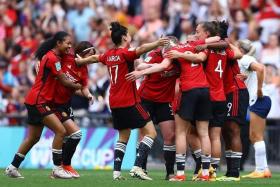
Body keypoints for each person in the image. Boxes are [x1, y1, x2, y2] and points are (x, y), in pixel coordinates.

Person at [76, 21, 169, 180]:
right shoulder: (125, 53)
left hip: (114, 102)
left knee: (123, 136)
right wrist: (157, 43)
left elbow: (95, 58)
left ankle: (116, 172)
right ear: (125, 37)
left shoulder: (109, 54)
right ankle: (137, 167)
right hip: (130, 101)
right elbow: (141, 49)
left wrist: (81, 61)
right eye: (129, 34)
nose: (131, 36)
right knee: (151, 132)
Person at [5, 31, 82, 179]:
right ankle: (57, 169)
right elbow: (64, 81)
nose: (70, 46)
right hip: (39, 101)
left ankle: (12, 167)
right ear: (58, 43)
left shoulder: (52, 57)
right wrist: (81, 86)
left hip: (33, 100)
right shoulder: (53, 58)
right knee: (61, 131)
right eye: (67, 43)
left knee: (33, 138)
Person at [126, 36, 180, 180]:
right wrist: (154, 66)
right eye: (165, 49)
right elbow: (141, 66)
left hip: (165, 101)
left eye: (170, 49)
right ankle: (141, 168)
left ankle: (169, 173)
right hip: (146, 99)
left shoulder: (178, 59)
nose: (167, 52)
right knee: (144, 135)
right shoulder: (154, 54)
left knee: (170, 136)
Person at [54, 41, 95, 178]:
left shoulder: (84, 69)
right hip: (54, 102)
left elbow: (83, 86)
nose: (91, 59)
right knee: (74, 134)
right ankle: (64, 166)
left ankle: (60, 169)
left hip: (66, 103)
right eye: (90, 55)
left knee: (67, 136)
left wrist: (88, 95)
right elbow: (51, 59)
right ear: (83, 53)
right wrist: (38, 64)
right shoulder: (66, 58)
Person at [237, 40, 272, 179]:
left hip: (259, 99)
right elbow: (254, 73)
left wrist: (258, 89)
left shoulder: (245, 58)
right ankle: (265, 169)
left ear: (240, 49)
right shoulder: (246, 62)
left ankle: (260, 169)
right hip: (262, 99)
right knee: (256, 136)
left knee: (255, 136)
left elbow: (261, 68)